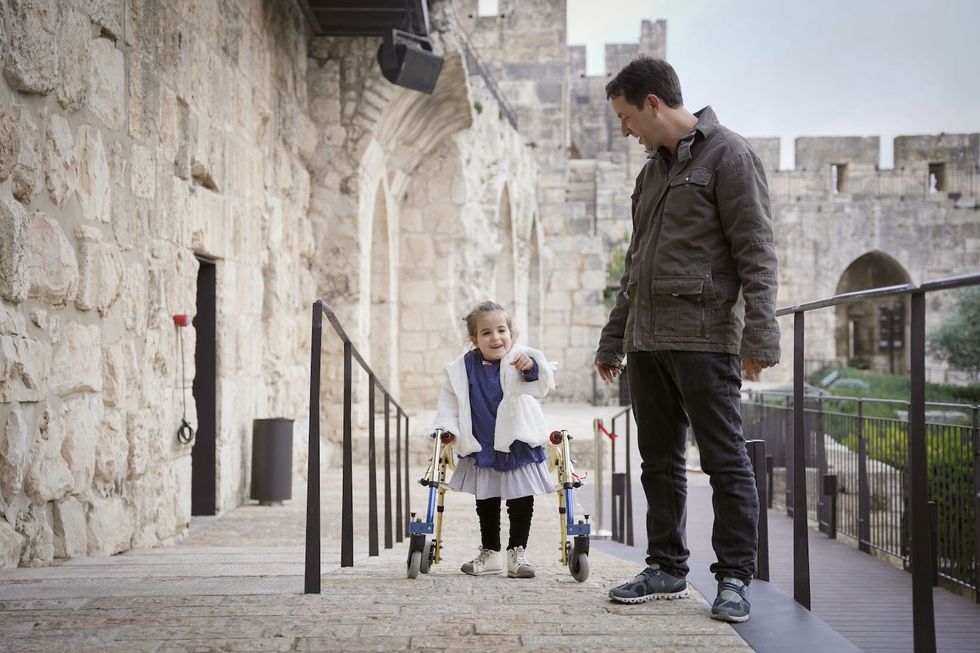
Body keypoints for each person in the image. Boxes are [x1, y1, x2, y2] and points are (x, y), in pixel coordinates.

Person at [595, 57, 780, 623]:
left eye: (626, 117)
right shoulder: (651, 172)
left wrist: (761, 334)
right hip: (647, 343)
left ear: (654, 103)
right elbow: (637, 263)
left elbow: (757, 250)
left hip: (704, 339)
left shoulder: (730, 155)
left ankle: (733, 581)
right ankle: (667, 568)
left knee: (725, 462)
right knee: (658, 462)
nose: (624, 130)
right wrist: (613, 337)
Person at [429, 300, 557, 578]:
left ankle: (517, 553)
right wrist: (447, 427)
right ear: (474, 339)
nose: (496, 337)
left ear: (511, 334)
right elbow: (450, 401)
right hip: (483, 442)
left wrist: (530, 367)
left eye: (501, 330)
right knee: (486, 499)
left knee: (521, 499)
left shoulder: (518, 359)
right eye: (486, 333)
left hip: (515, 441)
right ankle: (491, 552)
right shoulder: (464, 368)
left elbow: (539, 380)